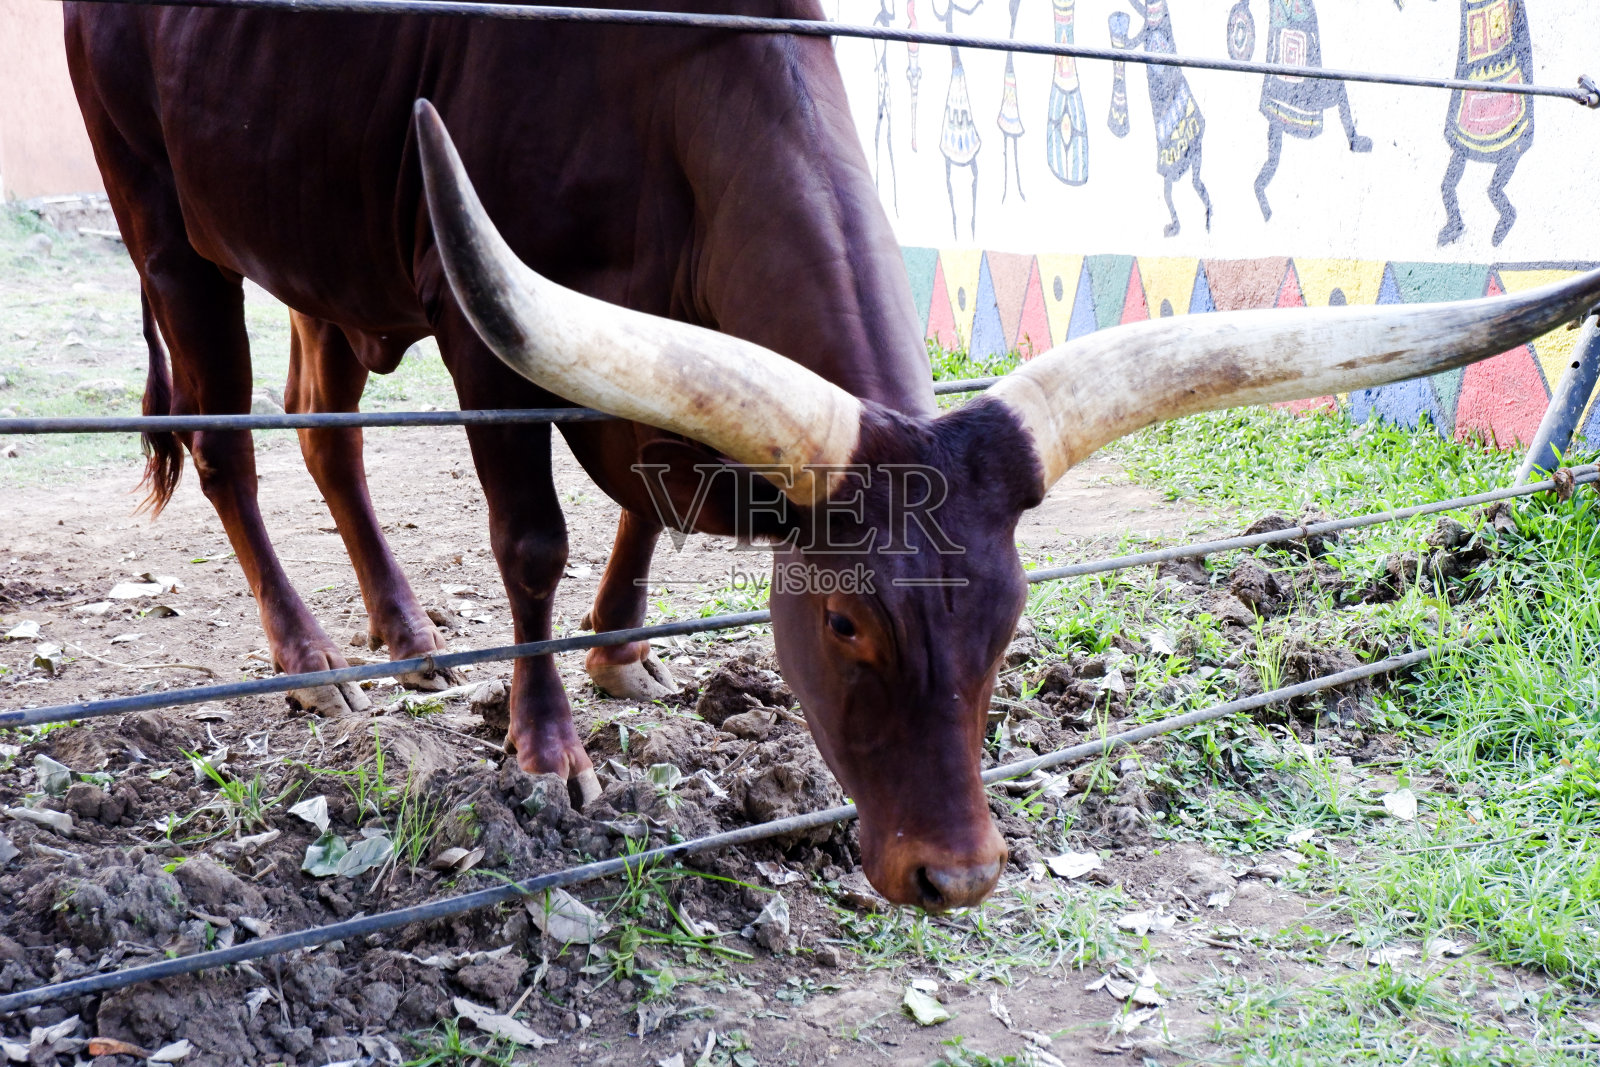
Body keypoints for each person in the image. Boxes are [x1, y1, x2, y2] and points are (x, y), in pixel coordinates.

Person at [1252, 0, 1372, 222]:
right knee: (1338, 86)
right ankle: (1353, 138)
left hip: (1278, 88)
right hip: (1297, 81)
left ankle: (1260, 186)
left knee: (1273, 154)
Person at [1437, 0, 1534, 247]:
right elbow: (1464, 51)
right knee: (1449, 182)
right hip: (1474, 95)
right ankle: (1456, 220)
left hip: (1504, 94)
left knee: (1493, 185)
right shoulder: (1471, 7)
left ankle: (1503, 208)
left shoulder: (1507, 7)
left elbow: (1522, 47)